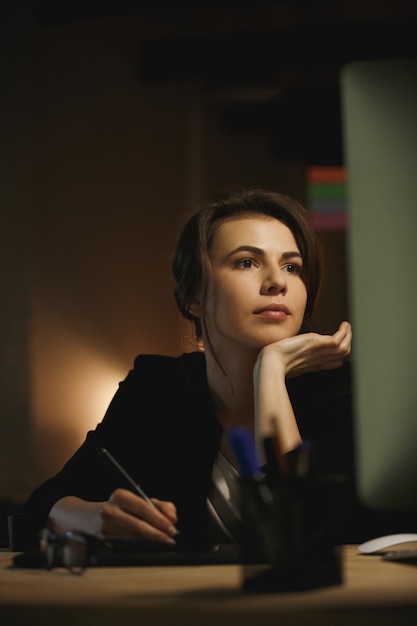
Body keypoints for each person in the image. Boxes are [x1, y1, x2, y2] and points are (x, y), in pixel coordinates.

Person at [19, 187, 353, 552]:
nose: (278, 281)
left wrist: (270, 372)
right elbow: (40, 506)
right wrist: (93, 518)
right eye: (246, 262)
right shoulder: (157, 390)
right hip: (180, 608)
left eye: (292, 266)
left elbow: (303, 537)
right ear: (194, 296)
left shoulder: (340, 392)